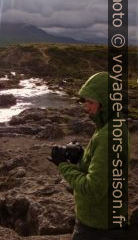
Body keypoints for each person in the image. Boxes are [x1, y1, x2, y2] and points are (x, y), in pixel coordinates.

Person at [48, 72, 130, 239]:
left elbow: (93, 188)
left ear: (106, 103)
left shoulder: (108, 136)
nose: (86, 107)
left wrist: (63, 165)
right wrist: (82, 156)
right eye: (85, 101)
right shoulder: (111, 126)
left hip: (98, 227)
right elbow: (106, 169)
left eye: (91, 102)